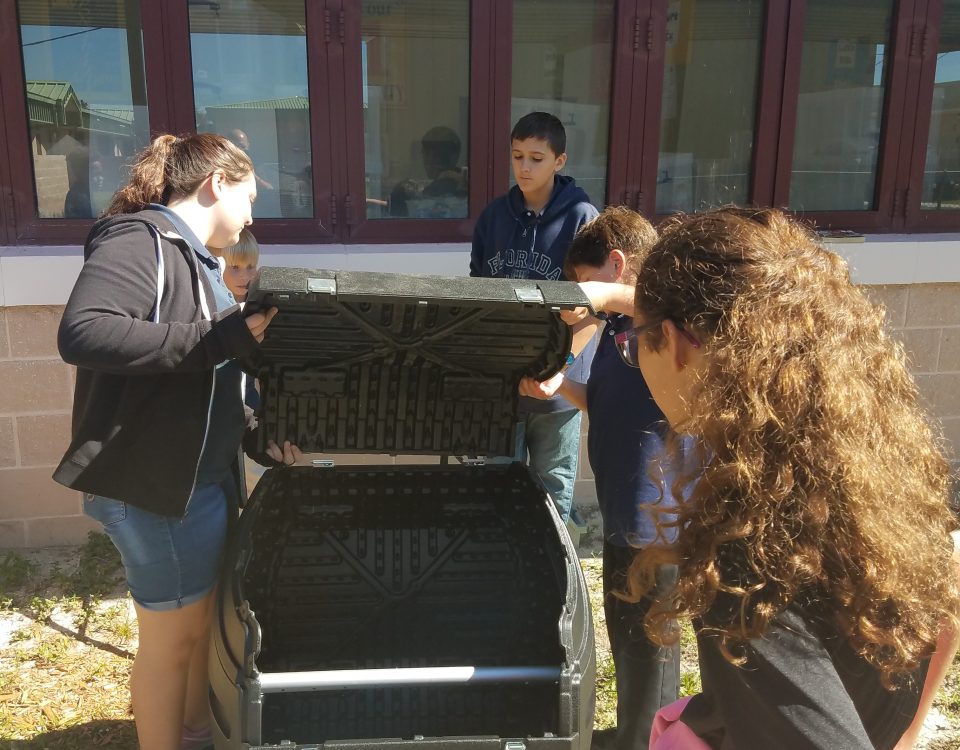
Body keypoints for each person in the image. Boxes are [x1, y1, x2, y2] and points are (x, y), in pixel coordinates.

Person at [586, 206, 960, 749]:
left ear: (678, 343)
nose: (633, 353)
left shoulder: (745, 552)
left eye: (632, 341)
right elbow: (947, 587)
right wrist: (905, 734)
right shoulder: (882, 477)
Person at [54, 133, 301, 750]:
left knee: (200, 631)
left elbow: (203, 381)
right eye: (247, 199)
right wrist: (223, 339)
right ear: (216, 183)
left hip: (200, 482)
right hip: (154, 486)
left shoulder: (199, 259)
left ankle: (195, 733)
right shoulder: (141, 240)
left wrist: (257, 437)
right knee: (171, 644)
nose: (250, 217)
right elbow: (84, 331)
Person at [522, 206, 680, 750]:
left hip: (655, 523)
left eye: (583, 285)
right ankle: (641, 734)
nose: (579, 299)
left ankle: (646, 741)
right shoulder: (617, 329)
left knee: (651, 653)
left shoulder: (663, 324)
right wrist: (560, 385)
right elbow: (604, 405)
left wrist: (604, 298)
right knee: (631, 647)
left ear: (617, 264)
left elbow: (666, 310)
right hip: (622, 515)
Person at [470, 111, 599, 523]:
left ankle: (551, 575)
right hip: (502, 384)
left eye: (537, 158)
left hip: (557, 389)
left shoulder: (583, 219)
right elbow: (477, 298)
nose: (524, 167)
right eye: (517, 156)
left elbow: (595, 310)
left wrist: (559, 370)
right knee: (497, 477)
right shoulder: (492, 218)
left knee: (553, 486)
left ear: (560, 161)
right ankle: (501, 566)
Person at [390, 125, 468, 217]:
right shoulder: (463, 182)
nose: (427, 161)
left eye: (426, 153)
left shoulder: (441, 188)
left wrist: (400, 192)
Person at [215, 226, 260, 302]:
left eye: (250, 267)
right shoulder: (208, 303)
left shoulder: (262, 302)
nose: (244, 276)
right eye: (235, 267)